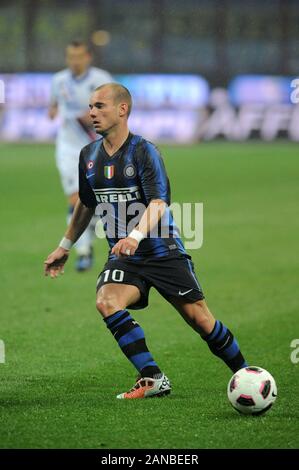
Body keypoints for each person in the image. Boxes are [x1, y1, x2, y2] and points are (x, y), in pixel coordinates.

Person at [44, 83, 248, 399]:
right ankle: (152, 377)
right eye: (91, 106)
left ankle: (246, 374)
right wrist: (65, 245)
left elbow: (158, 202)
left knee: (201, 320)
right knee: (106, 301)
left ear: (122, 109)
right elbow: (87, 203)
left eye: (99, 106)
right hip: (125, 256)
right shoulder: (89, 155)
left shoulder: (144, 151)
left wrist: (135, 236)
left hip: (162, 250)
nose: (92, 113)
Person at [48, 40, 113, 271]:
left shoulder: (101, 79)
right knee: (76, 199)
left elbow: (115, 108)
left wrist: (96, 113)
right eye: (70, 57)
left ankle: (90, 239)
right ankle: (83, 251)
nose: (74, 62)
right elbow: (53, 105)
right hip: (67, 147)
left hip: (97, 148)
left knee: (98, 201)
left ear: (88, 57)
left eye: (78, 57)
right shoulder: (58, 80)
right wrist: (53, 111)